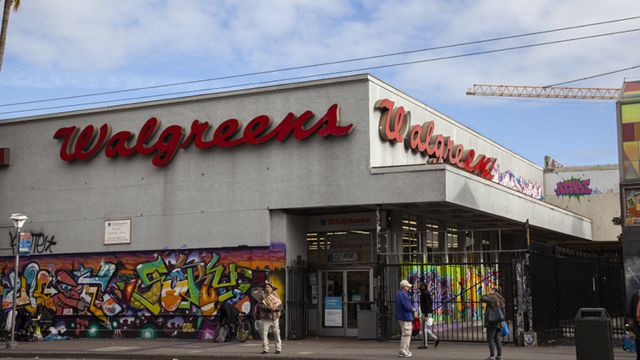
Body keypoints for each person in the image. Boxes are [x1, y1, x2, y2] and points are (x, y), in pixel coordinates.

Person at [481, 286, 506, 360]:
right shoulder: (501, 299)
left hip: (492, 321)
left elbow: (481, 298)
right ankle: (499, 356)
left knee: (491, 339)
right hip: (499, 322)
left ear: (494, 290)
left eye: (491, 289)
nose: (490, 290)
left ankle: (492, 356)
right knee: (498, 339)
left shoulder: (492, 297)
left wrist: (489, 294)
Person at [260, 281, 282, 355]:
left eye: (269, 287)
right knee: (264, 332)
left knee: (276, 332)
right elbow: (261, 306)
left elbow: (280, 306)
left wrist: (276, 308)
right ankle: (265, 349)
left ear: (272, 289)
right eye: (266, 287)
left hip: (275, 317)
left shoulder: (276, 297)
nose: (267, 288)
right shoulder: (262, 297)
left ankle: (278, 348)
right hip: (266, 317)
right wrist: (269, 308)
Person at [417, 280, 440, 349]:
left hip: (426, 313)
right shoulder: (426, 293)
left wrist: (426, 314)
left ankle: (425, 344)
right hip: (427, 313)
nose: (419, 286)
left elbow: (427, 304)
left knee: (424, 329)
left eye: (421, 285)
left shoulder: (425, 294)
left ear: (424, 287)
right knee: (424, 328)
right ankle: (435, 339)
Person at [396, 279, 414, 358]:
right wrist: (413, 309)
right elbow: (407, 306)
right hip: (405, 316)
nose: (408, 288)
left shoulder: (399, 294)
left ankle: (404, 349)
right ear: (404, 287)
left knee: (405, 334)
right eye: (407, 286)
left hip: (401, 316)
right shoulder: (403, 295)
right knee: (407, 334)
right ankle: (403, 349)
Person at [628, 288, 640, 360]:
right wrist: (628, 330)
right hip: (637, 326)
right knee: (638, 347)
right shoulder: (634, 297)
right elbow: (630, 316)